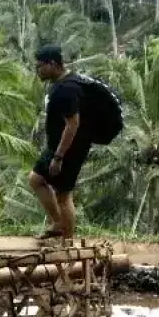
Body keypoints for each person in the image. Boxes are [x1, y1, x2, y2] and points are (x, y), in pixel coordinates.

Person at [29, 44, 93, 243]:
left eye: (40, 66)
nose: (37, 71)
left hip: (68, 149)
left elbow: (73, 125)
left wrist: (58, 157)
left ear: (53, 64)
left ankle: (68, 241)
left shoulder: (66, 89)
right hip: (56, 146)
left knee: (63, 196)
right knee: (36, 179)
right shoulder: (61, 83)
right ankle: (58, 224)